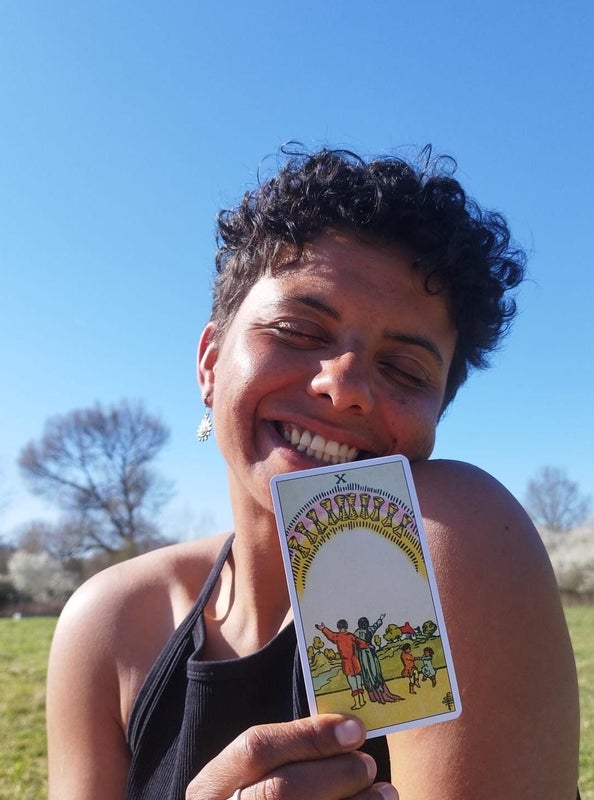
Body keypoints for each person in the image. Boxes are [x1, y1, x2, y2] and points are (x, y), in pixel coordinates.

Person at [46, 145, 581, 800]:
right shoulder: (110, 623)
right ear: (210, 362)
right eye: (298, 330)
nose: (345, 387)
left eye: (405, 371)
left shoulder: (450, 536)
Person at [315, 620, 368, 710]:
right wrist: (368, 645)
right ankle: (362, 701)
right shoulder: (351, 635)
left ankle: (357, 704)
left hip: (347, 663)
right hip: (355, 662)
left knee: (353, 685)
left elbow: (330, 635)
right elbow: (360, 642)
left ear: (338, 627)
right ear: (346, 626)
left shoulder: (337, 636)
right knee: (359, 682)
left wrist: (323, 628)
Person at [354, 615, 403, 703]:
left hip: (367, 654)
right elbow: (375, 626)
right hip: (366, 654)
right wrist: (380, 619)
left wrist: (380, 619)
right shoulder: (362, 631)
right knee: (371, 671)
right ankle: (377, 694)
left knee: (372, 671)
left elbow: (375, 626)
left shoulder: (360, 632)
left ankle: (377, 694)